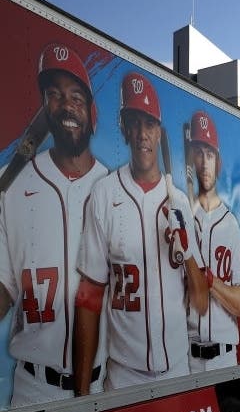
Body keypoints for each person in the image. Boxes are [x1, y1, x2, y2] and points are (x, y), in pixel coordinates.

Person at [73, 72, 209, 394]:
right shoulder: (104, 195)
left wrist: (186, 251)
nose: (142, 134)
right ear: (123, 129)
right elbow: (89, 298)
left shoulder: (178, 201)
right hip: (123, 376)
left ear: (159, 133)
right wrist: (80, 398)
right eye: (134, 122)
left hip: (177, 369)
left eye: (149, 124)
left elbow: (201, 301)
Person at [0, 42, 109, 408]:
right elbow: (4, 287)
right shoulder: (11, 186)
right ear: (45, 107)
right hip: (33, 389)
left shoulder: (115, 190)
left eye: (77, 97)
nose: (67, 106)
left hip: (103, 386)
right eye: (55, 95)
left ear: (92, 113)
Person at [186, 110, 240, 372]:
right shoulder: (180, 217)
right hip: (184, 358)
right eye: (198, 152)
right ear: (190, 159)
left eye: (209, 154)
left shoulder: (231, 224)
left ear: (218, 162)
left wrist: (211, 283)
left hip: (223, 358)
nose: (204, 162)